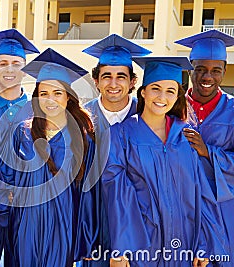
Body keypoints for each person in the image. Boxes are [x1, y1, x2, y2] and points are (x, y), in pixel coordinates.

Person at [101, 56, 226, 267]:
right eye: (155, 88)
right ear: (143, 92)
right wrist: (121, 250)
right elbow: (117, 194)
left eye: (170, 91)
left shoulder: (186, 135)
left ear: (177, 96)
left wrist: (204, 243)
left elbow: (202, 192)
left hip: (184, 241)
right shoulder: (120, 135)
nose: (162, 97)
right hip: (143, 242)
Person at [0, 48, 95, 267]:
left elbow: (89, 194)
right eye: (44, 93)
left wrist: (86, 237)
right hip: (25, 225)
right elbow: (9, 181)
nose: (50, 100)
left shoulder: (83, 139)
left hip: (63, 225)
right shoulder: (22, 134)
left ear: (68, 97)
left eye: (57, 93)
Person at [75, 34, 151, 266]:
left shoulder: (149, 118)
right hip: (93, 223)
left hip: (141, 224)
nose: (114, 83)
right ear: (96, 81)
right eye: (107, 76)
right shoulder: (80, 120)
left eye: (121, 77)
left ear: (132, 82)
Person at [0, 28, 39, 265]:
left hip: (27, 202)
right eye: (3, 63)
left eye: (16, 63)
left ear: (25, 69)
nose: (10, 69)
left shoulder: (39, 108)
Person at [175, 29, 234, 265]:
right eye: (199, 69)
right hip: (181, 207)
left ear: (225, 71)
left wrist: (208, 152)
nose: (206, 77)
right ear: (190, 69)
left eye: (215, 71)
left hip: (222, 208)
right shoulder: (171, 106)